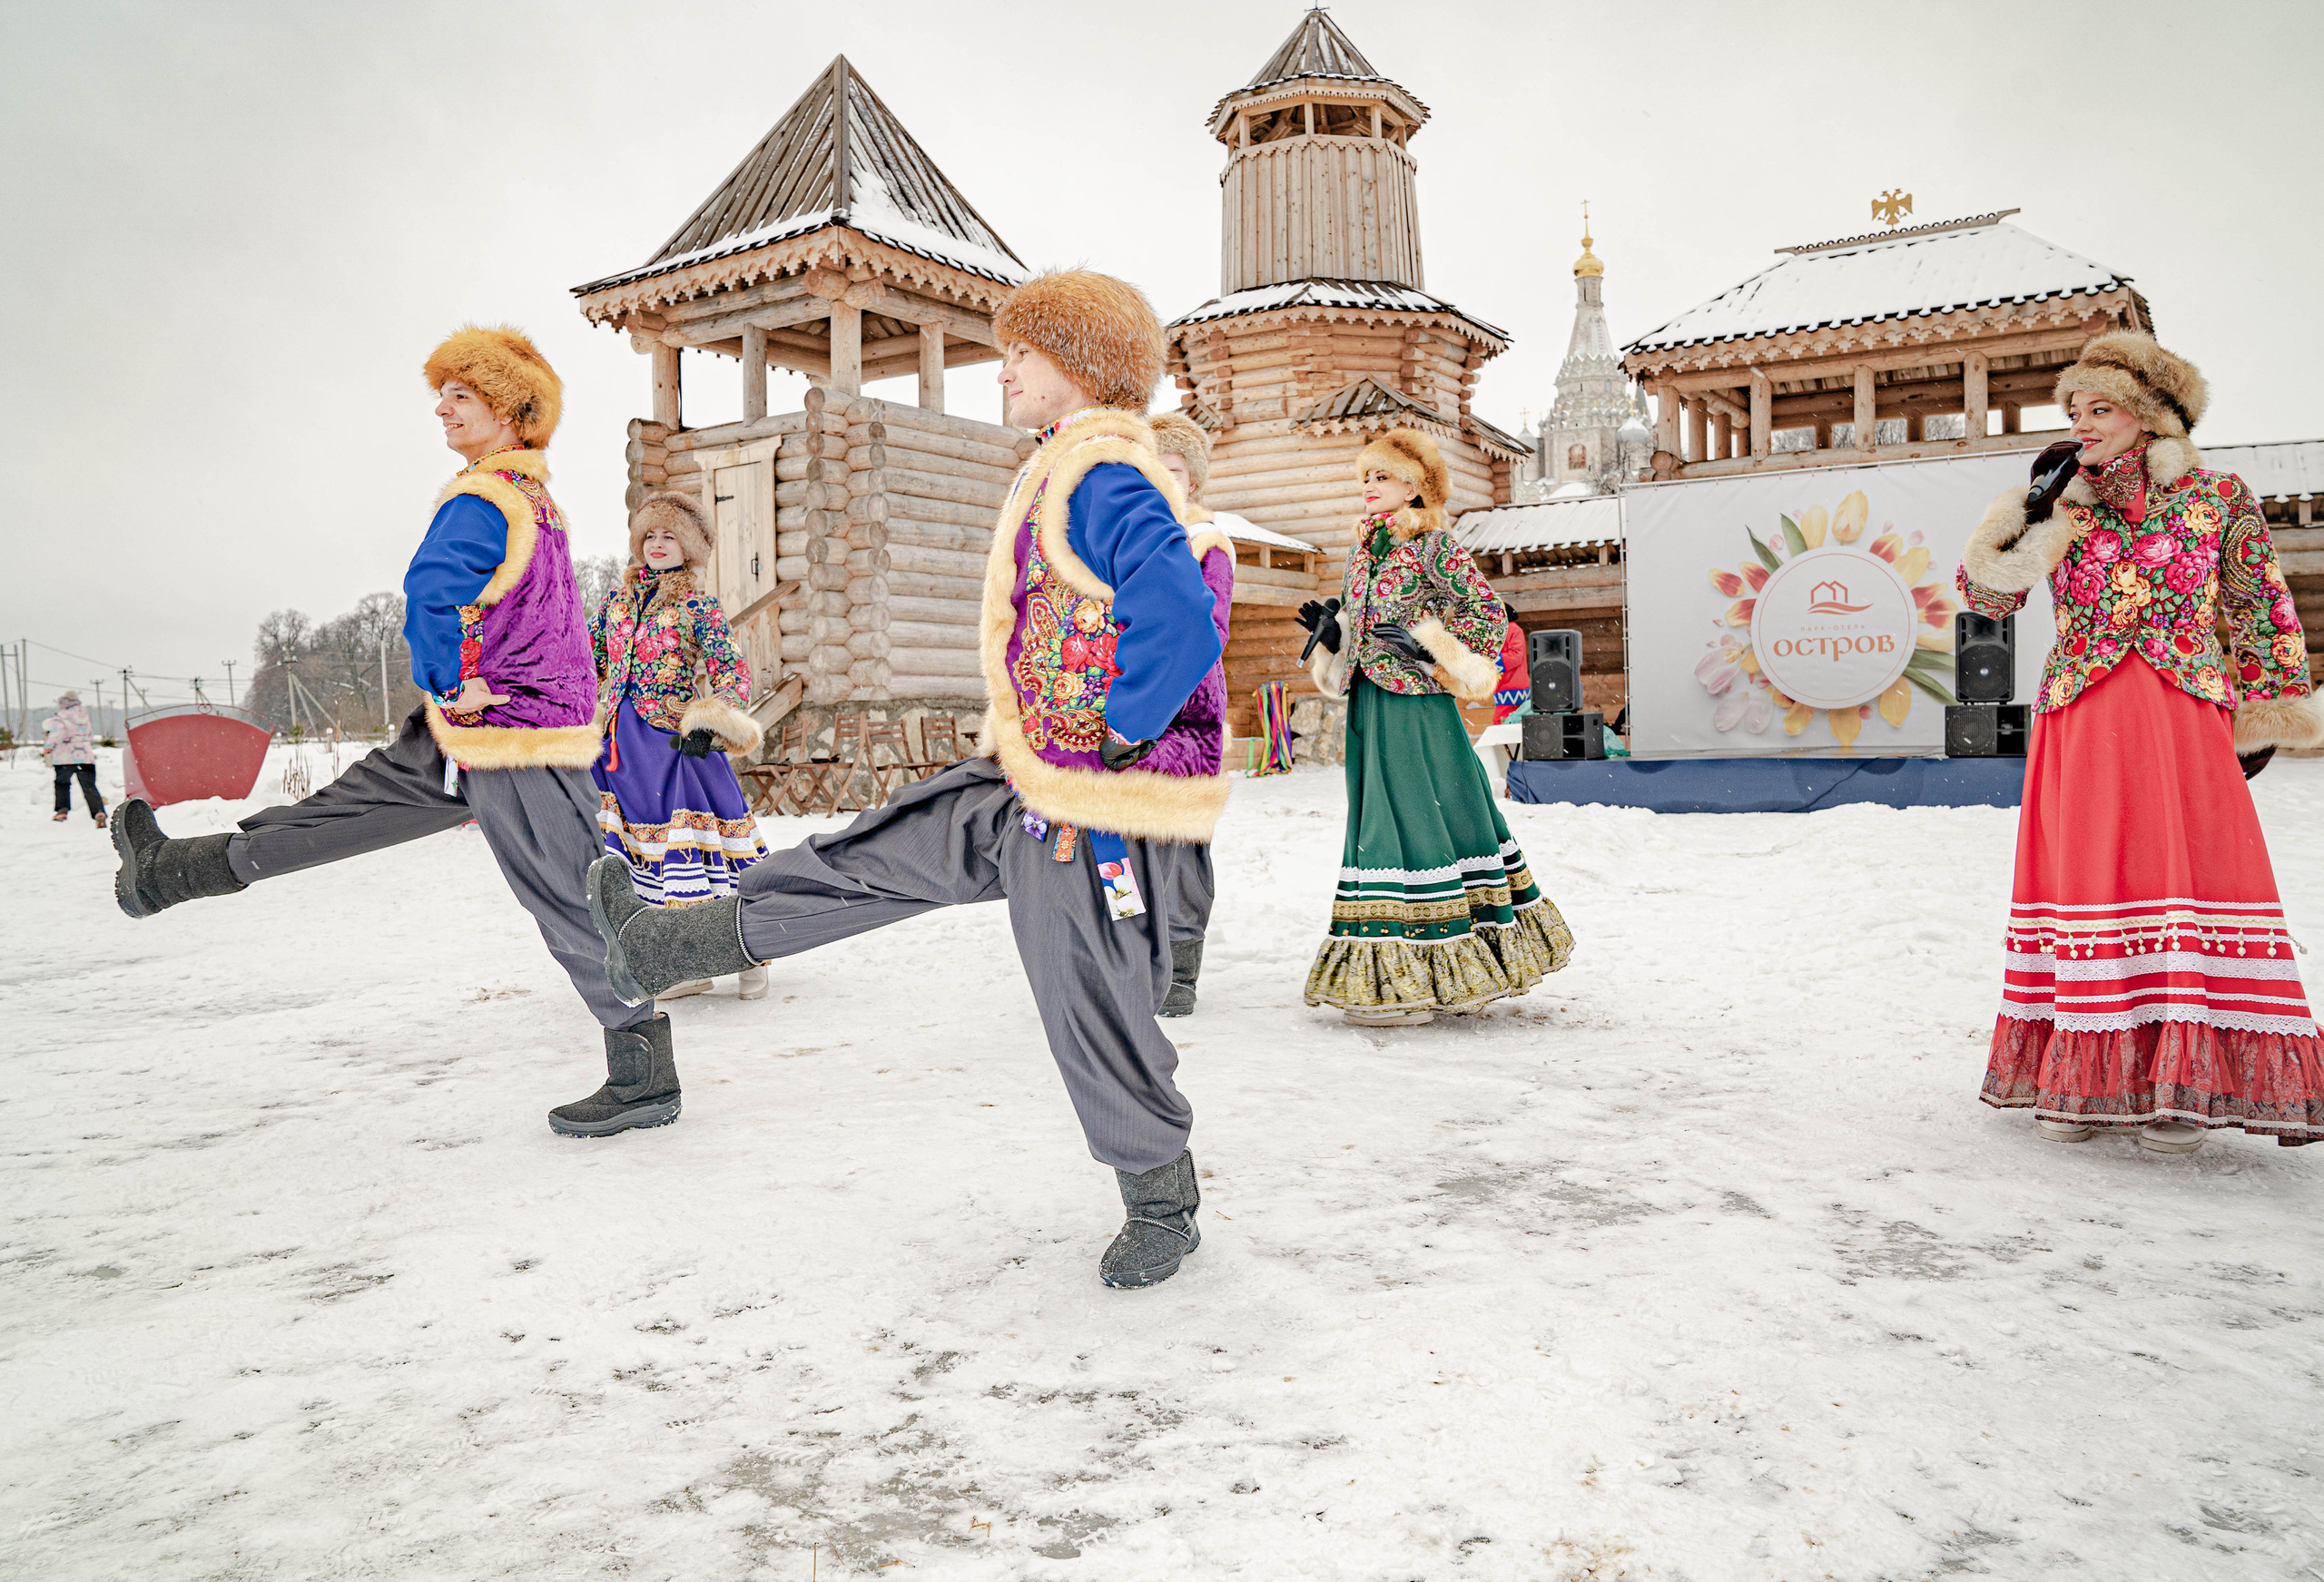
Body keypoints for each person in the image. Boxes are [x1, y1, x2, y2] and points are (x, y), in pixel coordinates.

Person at [584, 270, 1229, 1288]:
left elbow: (1182, 617)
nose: (1004, 364)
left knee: (1086, 991)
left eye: (1025, 348)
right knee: (873, 854)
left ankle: (1160, 1197)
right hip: (1022, 774)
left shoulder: (1105, 472)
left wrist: (1115, 732)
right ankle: (665, 943)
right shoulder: (1062, 463)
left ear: (1084, 365)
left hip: (1078, 798)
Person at [110, 327, 683, 1140]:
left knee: (571, 894)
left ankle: (643, 1076)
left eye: (462, 397)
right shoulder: (530, 500)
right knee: (344, 811)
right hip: (473, 730)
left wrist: (453, 679)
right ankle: (168, 872)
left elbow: (428, 592)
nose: (443, 411)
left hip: (514, 740)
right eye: (440, 397)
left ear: (511, 408)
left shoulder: (488, 499)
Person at [1957, 331, 2324, 1153]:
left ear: (2150, 418)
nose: (2083, 423)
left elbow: (2261, 604)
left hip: (2177, 716)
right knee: (2087, 878)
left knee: (2179, 874)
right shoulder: (2059, 500)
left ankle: (2178, 1084)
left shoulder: (2219, 497)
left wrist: (2268, 708)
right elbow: (1987, 596)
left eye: (2100, 409)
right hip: (2081, 715)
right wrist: (2024, 513)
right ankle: (2084, 1074)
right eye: (2075, 409)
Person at [1293, 427, 1574, 1026]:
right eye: (1366, 476)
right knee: (1376, 822)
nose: (1369, 486)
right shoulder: (1363, 550)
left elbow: (1485, 612)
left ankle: (1431, 962)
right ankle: (1393, 966)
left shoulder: (1435, 547)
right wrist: (1336, 636)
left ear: (1414, 485)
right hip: (1371, 703)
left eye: (1382, 476)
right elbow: (1360, 621)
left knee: (1424, 817)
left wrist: (1433, 653)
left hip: (1417, 706)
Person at [589, 490, 770, 1000]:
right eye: (650, 535)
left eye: (670, 536)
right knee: (645, 857)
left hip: (675, 748)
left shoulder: (698, 606)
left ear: (689, 546)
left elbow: (731, 669)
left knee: (700, 851)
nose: (658, 544)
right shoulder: (616, 603)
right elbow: (588, 661)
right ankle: (689, 965)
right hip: (620, 750)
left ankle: (751, 954)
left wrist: (713, 722)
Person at [1146, 409, 1236, 1017]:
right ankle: (1132, 961)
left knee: (1179, 839)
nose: (1161, 478)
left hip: (1188, 708)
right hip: (1130, 706)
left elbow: (1210, 628)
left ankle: (1179, 970)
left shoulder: (1207, 543)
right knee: (1131, 836)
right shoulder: (1127, 540)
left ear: (1193, 479)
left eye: (1172, 469)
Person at [44, 690, 106, 828]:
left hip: (65, 757)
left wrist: (49, 745)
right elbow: (89, 735)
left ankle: (62, 810)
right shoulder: (84, 716)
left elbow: (58, 732)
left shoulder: (59, 717)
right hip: (85, 755)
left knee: (62, 783)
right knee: (89, 786)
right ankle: (98, 812)